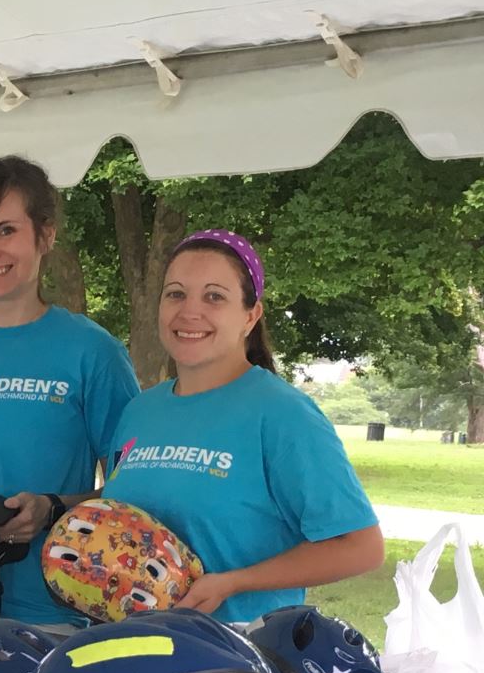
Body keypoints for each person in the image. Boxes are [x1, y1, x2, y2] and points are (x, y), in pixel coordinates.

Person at [103, 229, 383, 622]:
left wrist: (234, 582)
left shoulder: (284, 414)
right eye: (176, 294)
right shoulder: (140, 411)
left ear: (251, 316)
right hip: (132, 649)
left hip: (238, 656)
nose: (190, 312)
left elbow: (360, 547)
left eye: (214, 296)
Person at [0, 155, 139, 627]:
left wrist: (52, 507)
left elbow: (130, 488)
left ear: (46, 235)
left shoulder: (93, 352)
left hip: (53, 612)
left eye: (5, 230)